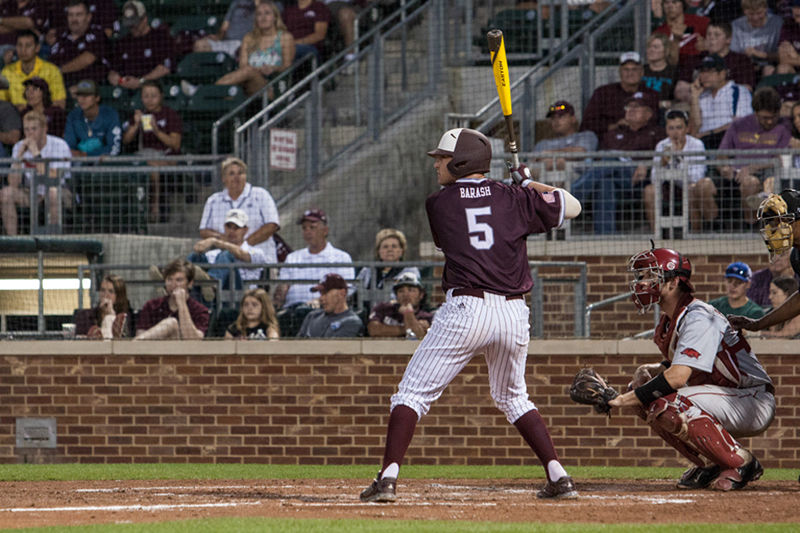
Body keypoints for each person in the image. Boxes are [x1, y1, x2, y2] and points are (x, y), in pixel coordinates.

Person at [359, 128, 583, 503]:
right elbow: (572, 206)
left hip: (467, 309)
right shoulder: (515, 196)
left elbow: (459, 230)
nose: (436, 165)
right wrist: (528, 184)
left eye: (442, 159)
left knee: (411, 393)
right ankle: (559, 476)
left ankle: (387, 478)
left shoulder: (439, 204)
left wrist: (516, 192)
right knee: (514, 398)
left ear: (461, 162)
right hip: (514, 314)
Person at [608, 247, 774, 491]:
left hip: (752, 398)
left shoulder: (698, 316)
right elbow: (684, 367)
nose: (641, 283)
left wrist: (621, 400)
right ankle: (713, 462)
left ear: (674, 282)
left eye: (648, 276)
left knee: (666, 403)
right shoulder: (669, 321)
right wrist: (648, 371)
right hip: (726, 396)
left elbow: (677, 378)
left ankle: (741, 462)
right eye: (641, 277)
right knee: (644, 392)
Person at [572, 93, 664, 235]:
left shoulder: (657, 133)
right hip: (614, 178)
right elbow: (599, 159)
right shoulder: (613, 133)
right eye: (629, 106)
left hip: (639, 179)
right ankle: (605, 235)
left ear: (649, 113)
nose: (631, 110)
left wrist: (647, 164)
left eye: (637, 106)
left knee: (610, 160)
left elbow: (664, 158)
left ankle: (573, 195)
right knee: (605, 181)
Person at [718, 86, 791, 221]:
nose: (769, 121)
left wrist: (753, 167)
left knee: (764, 181)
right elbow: (721, 154)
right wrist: (724, 168)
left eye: (773, 117)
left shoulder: (784, 126)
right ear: (755, 112)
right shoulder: (739, 125)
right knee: (749, 182)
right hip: (739, 174)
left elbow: (780, 158)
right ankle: (751, 225)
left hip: (770, 172)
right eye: (765, 118)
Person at [199, 157, 280, 265]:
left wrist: (243, 246)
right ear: (223, 178)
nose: (236, 177)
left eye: (240, 173)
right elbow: (204, 230)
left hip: (262, 261)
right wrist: (225, 243)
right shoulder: (213, 200)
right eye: (231, 173)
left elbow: (272, 225)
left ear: (246, 176)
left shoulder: (260, 194)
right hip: (225, 262)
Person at [0, 111, 71, 235]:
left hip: (59, 190)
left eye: (34, 129)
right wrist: (19, 156)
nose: (30, 133)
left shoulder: (59, 145)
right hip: (32, 192)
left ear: (44, 129)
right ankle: (14, 242)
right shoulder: (19, 146)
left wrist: (36, 153)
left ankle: (53, 242)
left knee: (52, 193)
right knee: (6, 194)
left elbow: (53, 177)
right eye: (26, 129)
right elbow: (13, 183)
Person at [645, 108, 714, 231]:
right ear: (666, 130)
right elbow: (654, 178)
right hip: (668, 186)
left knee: (692, 189)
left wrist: (679, 157)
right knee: (650, 191)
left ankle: (695, 234)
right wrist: (663, 162)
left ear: (687, 129)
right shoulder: (661, 145)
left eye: (679, 128)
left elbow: (697, 176)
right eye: (671, 128)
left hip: (688, 186)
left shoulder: (696, 144)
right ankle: (656, 234)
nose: (675, 133)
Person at [121, 80, 181, 220]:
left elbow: (175, 144)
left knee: (152, 167)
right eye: (146, 96)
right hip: (143, 155)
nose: (149, 99)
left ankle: (154, 209)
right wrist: (135, 124)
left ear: (161, 96)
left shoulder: (170, 115)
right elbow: (126, 140)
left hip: (167, 157)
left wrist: (156, 130)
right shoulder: (140, 115)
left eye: (153, 95)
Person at [273, 208, 355, 310]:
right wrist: (277, 300)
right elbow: (283, 287)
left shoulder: (341, 257)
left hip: (325, 311)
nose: (307, 232)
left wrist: (320, 301)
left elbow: (347, 291)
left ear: (325, 231)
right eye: (304, 228)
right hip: (292, 312)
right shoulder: (293, 257)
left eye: (312, 227)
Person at [215, 1, 296, 96]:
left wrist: (273, 68)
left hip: (274, 87)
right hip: (249, 84)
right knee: (247, 73)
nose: (263, 18)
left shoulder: (285, 37)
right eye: (259, 14)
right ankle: (213, 94)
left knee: (249, 71)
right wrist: (258, 70)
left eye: (267, 13)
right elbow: (243, 66)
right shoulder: (249, 38)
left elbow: (287, 66)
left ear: (275, 17)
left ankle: (210, 91)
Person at [580, 51, 660, 139]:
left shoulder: (651, 94)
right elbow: (587, 123)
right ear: (620, 72)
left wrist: (637, 124)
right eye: (626, 69)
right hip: (609, 142)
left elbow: (656, 121)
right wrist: (614, 126)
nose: (630, 73)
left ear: (642, 72)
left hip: (642, 140)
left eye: (634, 69)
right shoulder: (603, 92)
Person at [188, 208, 268, 290]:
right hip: (218, 295)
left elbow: (241, 254)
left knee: (227, 254)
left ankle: (212, 284)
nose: (232, 231)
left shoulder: (257, 252)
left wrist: (215, 241)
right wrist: (199, 248)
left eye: (236, 228)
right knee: (195, 256)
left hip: (242, 294)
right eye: (229, 227)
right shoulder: (214, 253)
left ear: (245, 230)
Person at [675, 21, 756, 100]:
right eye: (709, 34)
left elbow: (746, 90)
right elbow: (679, 91)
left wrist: (708, 88)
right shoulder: (694, 60)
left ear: (728, 39)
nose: (711, 38)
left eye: (717, 35)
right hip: (697, 106)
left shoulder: (741, 60)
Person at [688, 53, 753, 149]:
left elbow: (742, 124)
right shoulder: (701, 95)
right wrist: (694, 97)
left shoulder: (739, 92)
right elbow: (694, 131)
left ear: (722, 74)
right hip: (703, 146)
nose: (704, 76)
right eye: (702, 71)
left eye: (709, 71)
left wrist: (709, 133)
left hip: (729, 143)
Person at [106, 0, 175, 90]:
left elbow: (165, 67)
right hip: (125, 90)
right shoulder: (123, 42)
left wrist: (141, 81)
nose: (133, 28)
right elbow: (113, 69)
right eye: (130, 25)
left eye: (135, 24)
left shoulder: (160, 37)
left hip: (153, 87)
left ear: (144, 19)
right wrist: (116, 78)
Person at [135, 258, 209, 340]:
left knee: (171, 323)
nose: (173, 285)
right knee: (170, 324)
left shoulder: (200, 310)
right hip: (155, 349)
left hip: (183, 351)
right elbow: (140, 334)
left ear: (190, 283)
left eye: (179, 280)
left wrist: (182, 304)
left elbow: (194, 340)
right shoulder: (151, 305)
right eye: (169, 280)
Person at [48, 0, 110, 90]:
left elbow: (87, 59)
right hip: (61, 86)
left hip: (92, 87)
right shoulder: (61, 37)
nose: (74, 19)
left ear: (88, 17)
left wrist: (59, 70)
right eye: (71, 15)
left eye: (79, 15)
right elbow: (52, 61)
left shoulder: (98, 34)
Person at [0, 30, 67, 111]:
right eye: (19, 45)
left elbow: (60, 103)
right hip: (15, 119)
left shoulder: (52, 70)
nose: (23, 50)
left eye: (28, 46)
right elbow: (2, 104)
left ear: (37, 48)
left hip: (43, 119)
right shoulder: (7, 72)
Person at [356, 227, 421, 310]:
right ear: (378, 251)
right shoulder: (367, 270)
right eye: (385, 247)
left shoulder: (410, 270)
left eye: (394, 246)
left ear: (401, 251)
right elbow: (355, 291)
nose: (390, 250)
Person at [531, 100, 598, 179]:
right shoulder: (542, 143)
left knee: (560, 163)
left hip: (577, 181)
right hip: (542, 180)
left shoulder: (586, 136)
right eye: (553, 118)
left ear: (573, 119)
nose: (556, 121)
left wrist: (549, 154)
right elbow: (532, 163)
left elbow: (581, 152)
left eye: (561, 116)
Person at [367, 271, 433, 339]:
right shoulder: (383, 308)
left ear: (421, 295)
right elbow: (373, 330)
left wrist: (408, 313)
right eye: (401, 291)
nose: (406, 295)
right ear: (396, 295)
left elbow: (418, 335)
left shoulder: (427, 316)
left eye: (411, 290)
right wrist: (407, 328)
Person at [63, 79, 121, 157]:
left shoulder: (110, 114)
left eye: (87, 95)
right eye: (80, 95)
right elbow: (69, 147)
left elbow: (114, 148)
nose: (82, 99)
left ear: (97, 98)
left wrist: (86, 155)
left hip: (104, 165)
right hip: (79, 165)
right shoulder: (73, 116)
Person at [296, 273, 364, 337]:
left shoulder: (352, 322)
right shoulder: (312, 316)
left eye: (325, 293)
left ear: (342, 293)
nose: (321, 298)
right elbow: (297, 345)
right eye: (321, 293)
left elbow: (332, 348)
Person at [730, 0, 783, 75]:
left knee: (769, 70)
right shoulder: (736, 25)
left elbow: (782, 55)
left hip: (771, 66)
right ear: (744, 11)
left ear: (766, 9)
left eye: (759, 13)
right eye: (751, 14)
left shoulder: (777, 22)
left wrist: (761, 54)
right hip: (744, 68)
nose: (755, 18)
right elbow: (733, 55)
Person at [74, 273, 133, 339]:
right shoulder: (85, 316)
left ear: (119, 296)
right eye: (103, 290)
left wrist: (111, 316)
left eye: (111, 291)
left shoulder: (125, 317)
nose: (105, 295)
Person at [642, 33, 680, 107]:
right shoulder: (640, 70)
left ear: (666, 50)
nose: (651, 50)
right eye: (649, 47)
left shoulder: (674, 72)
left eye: (656, 47)